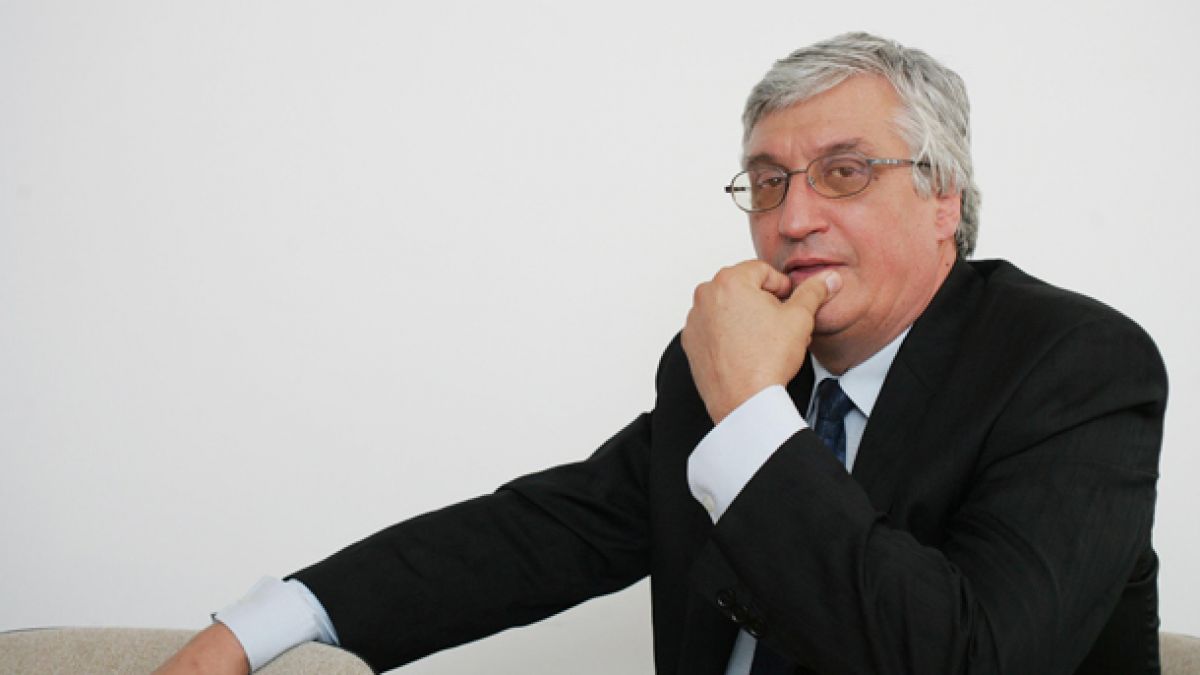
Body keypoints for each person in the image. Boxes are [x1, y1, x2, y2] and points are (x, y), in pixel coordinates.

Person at [157, 32, 1167, 675]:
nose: (793, 218)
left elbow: (965, 658)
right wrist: (261, 624)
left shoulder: (1074, 367)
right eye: (767, 183)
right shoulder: (730, 366)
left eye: (842, 172)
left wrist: (753, 417)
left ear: (943, 197)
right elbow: (535, 534)